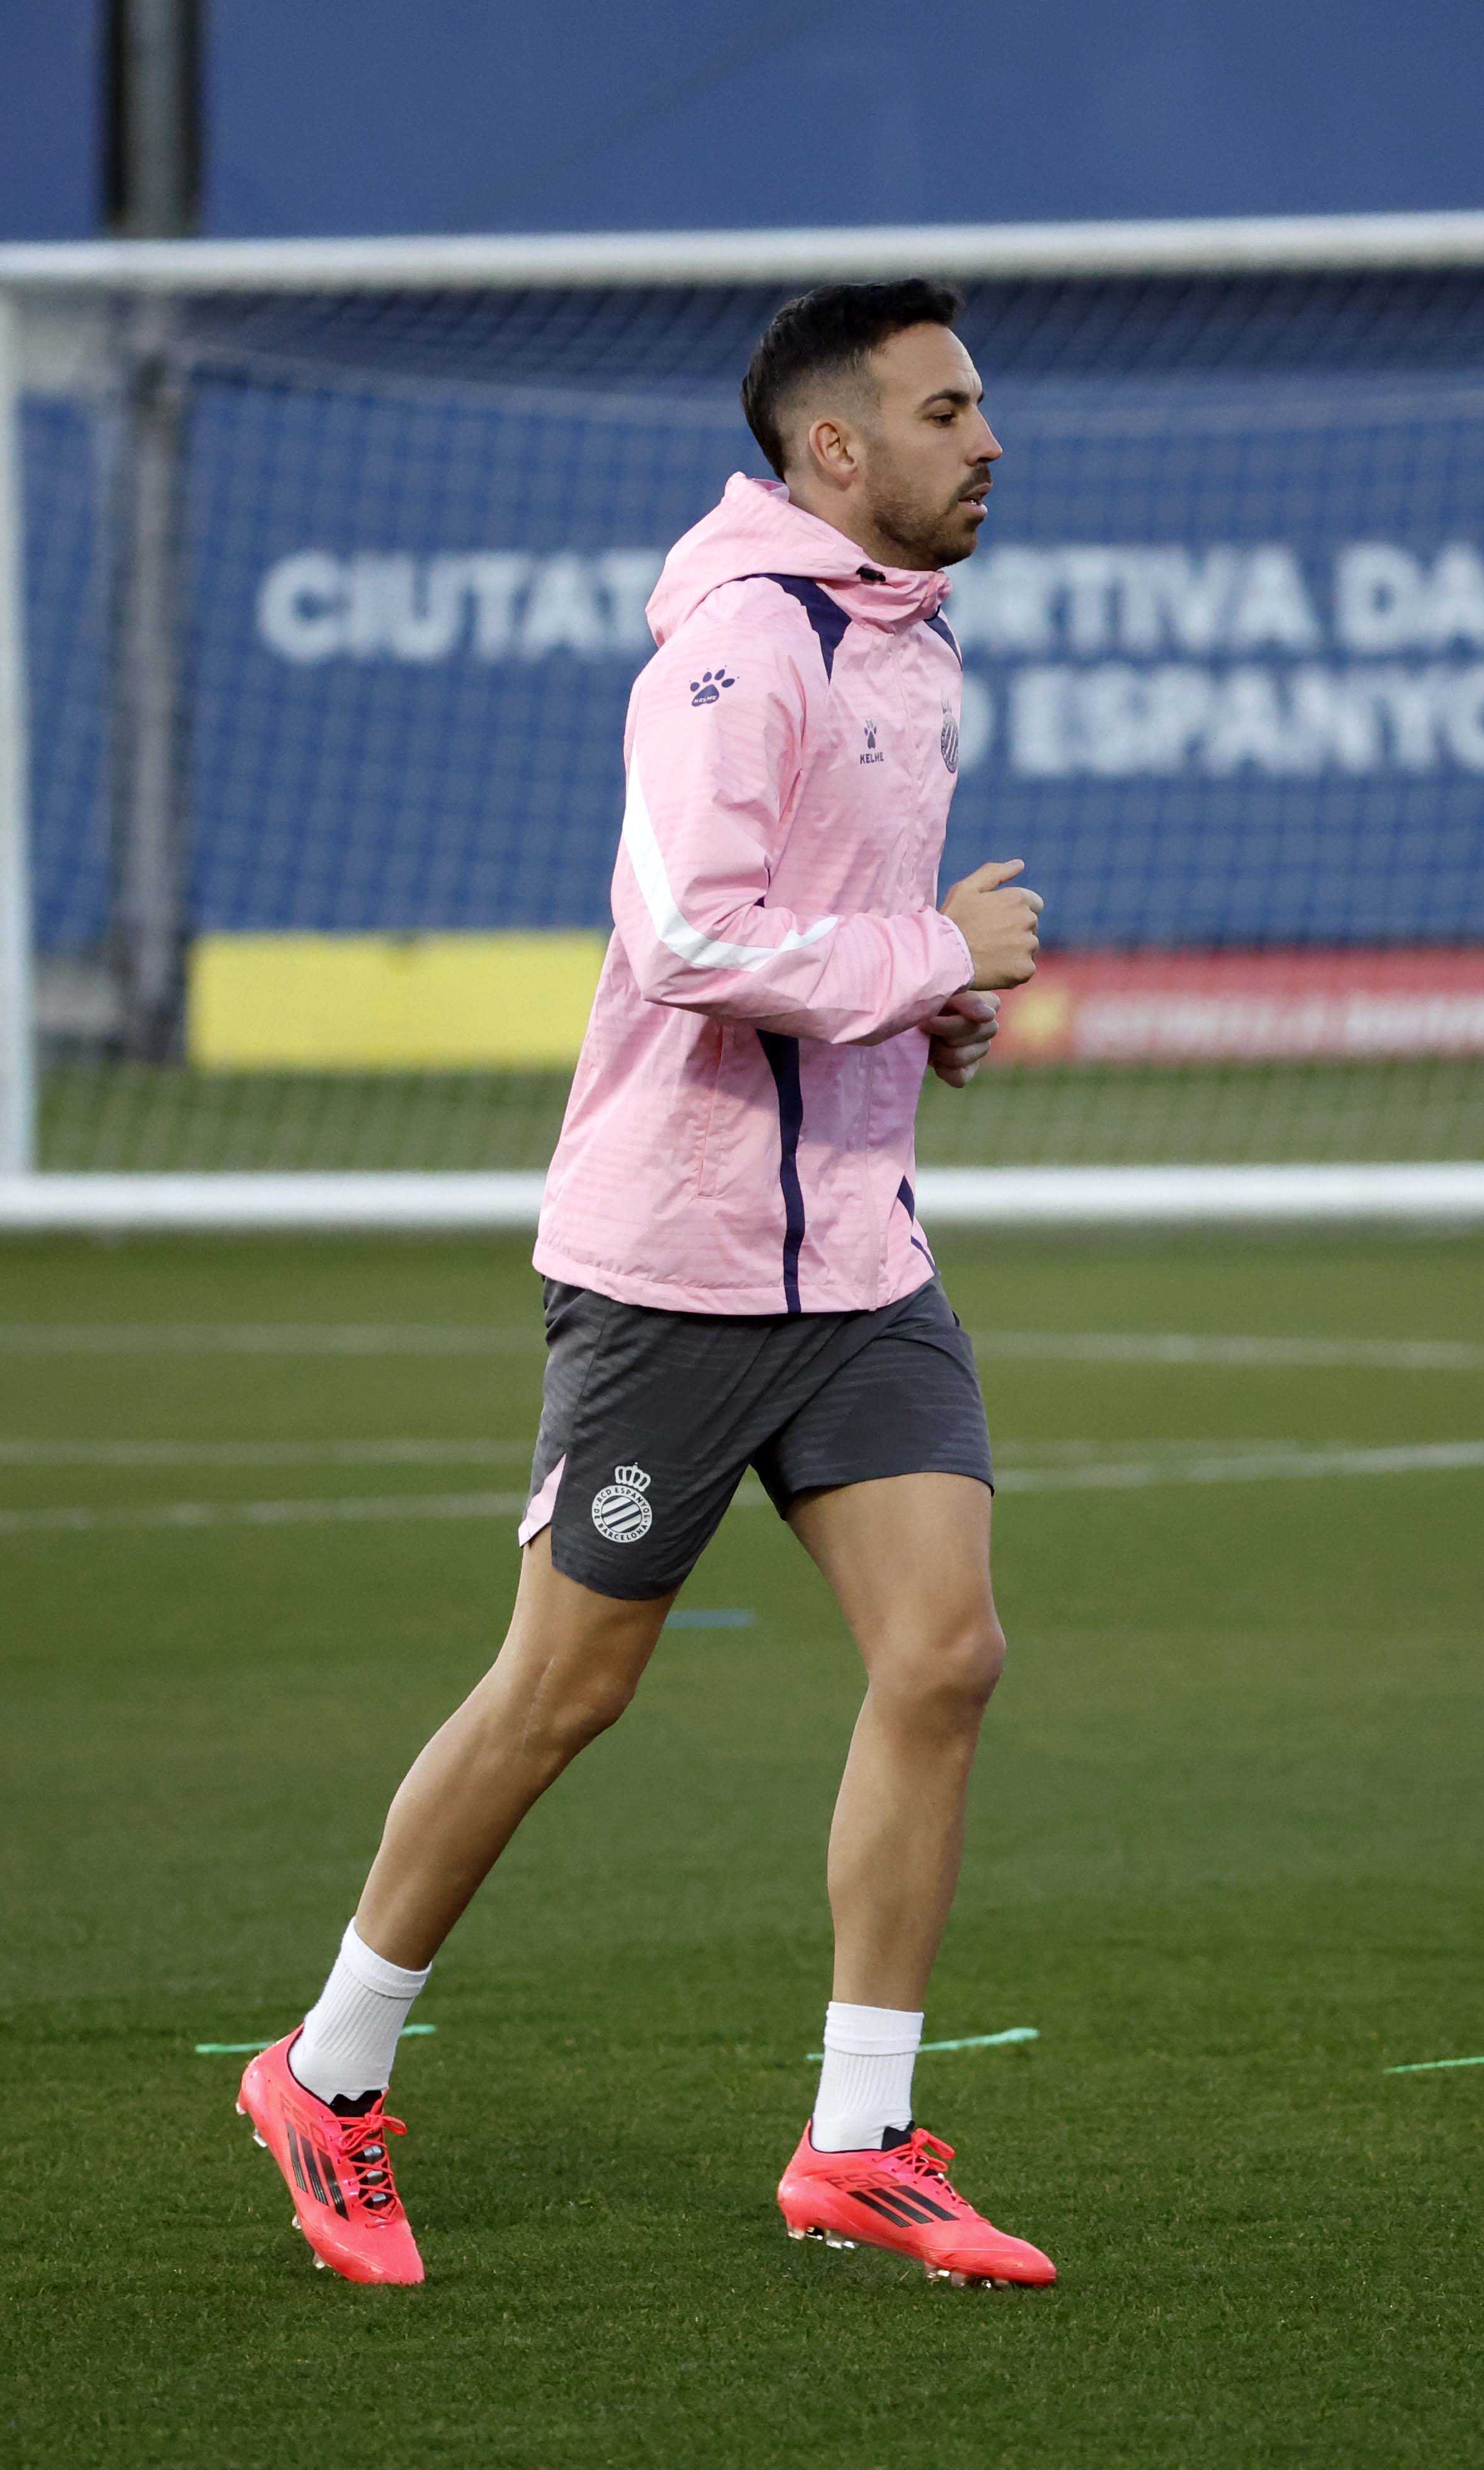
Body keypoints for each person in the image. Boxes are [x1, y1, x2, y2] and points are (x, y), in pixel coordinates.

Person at [232, 280, 1059, 2291]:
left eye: (981, 406)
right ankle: (325, 2074)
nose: (988, 441)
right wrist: (930, 958)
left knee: (945, 1655)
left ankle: (859, 2140)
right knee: (564, 1690)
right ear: (833, 449)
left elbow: (823, 934)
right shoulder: (744, 640)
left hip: (855, 1258)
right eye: (946, 411)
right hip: (676, 1267)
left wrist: (923, 1009)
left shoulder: (911, 640)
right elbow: (691, 936)